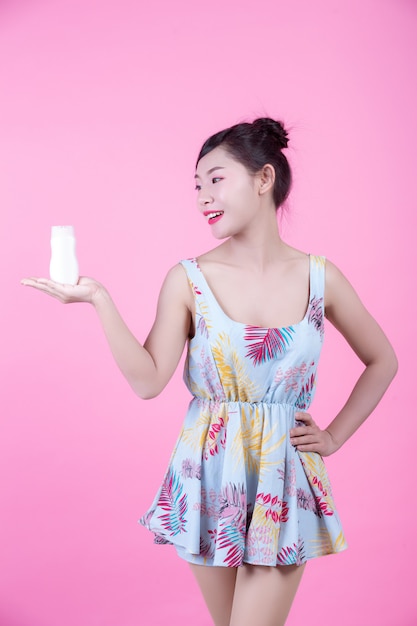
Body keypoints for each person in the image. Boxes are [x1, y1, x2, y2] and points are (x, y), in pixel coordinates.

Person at [21, 117, 398, 626]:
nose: (202, 197)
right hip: (206, 477)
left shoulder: (319, 277)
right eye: (197, 185)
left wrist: (333, 437)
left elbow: (383, 360)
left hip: (282, 479)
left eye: (216, 180)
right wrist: (100, 300)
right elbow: (148, 381)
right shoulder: (188, 279)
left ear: (264, 179)